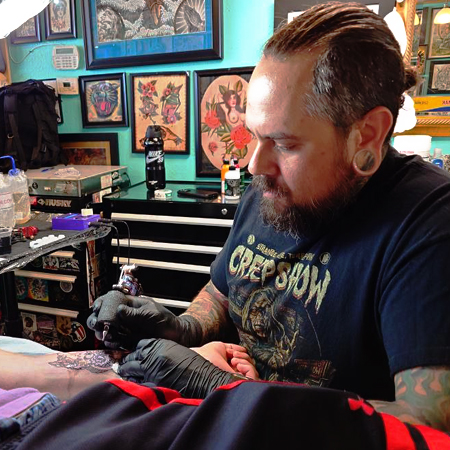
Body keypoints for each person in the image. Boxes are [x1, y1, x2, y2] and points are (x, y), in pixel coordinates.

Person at [88, 2, 450, 432]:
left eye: (285, 143)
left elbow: (429, 426)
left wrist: (230, 392)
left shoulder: (428, 223)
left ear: (366, 135)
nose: (256, 165)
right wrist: (181, 329)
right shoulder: (270, 187)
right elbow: (224, 291)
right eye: (257, 135)